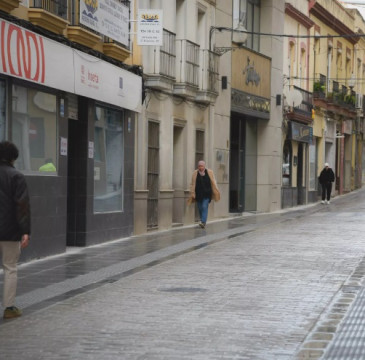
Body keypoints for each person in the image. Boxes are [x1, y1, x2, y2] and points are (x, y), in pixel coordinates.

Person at [0, 141, 31, 319]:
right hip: (10, 231)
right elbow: (22, 206)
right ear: (13, 157)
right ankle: (9, 308)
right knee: (10, 267)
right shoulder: (16, 176)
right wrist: (25, 231)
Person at [188, 160, 220, 229]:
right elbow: (192, 184)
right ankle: (203, 221)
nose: (200, 167)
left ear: (204, 166)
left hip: (207, 194)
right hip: (198, 194)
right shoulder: (195, 173)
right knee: (200, 208)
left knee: (204, 206)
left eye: (201, 166)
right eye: (199, 166)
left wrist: (216, 189)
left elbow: (213, 181)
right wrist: (192, 192)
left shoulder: (209, 172)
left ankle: (203, 222)